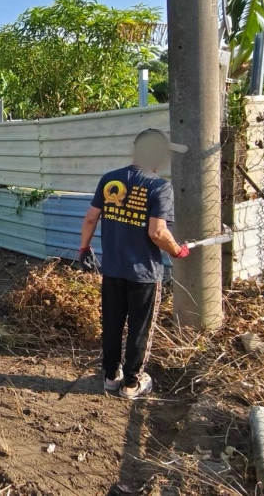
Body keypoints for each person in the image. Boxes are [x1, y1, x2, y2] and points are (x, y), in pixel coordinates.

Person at [78, 128, 190, 400]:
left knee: (113, 323)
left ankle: (110, 376)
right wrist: (177, 251)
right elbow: (157, 232)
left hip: (113, 270)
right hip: (144, 274)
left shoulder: (110, 179)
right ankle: (130, 384)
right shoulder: (160, 187)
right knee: (140, 328)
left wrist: (84, 248)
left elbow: (92, 218)